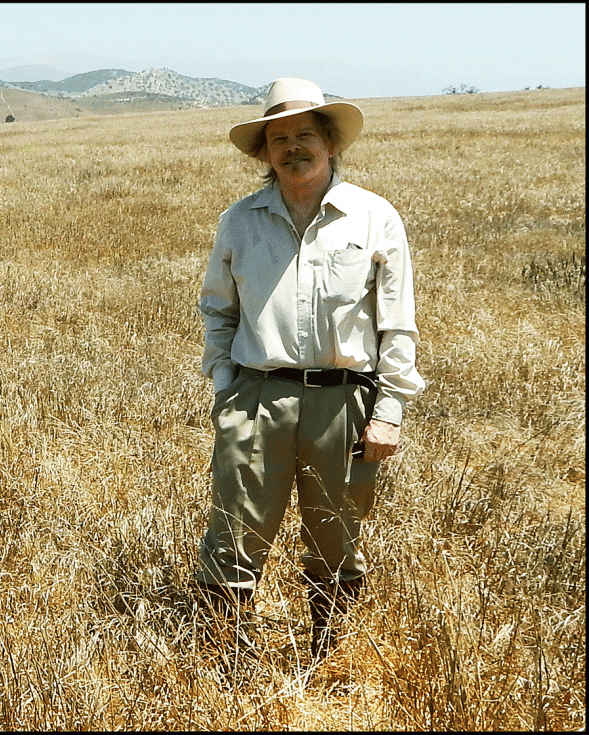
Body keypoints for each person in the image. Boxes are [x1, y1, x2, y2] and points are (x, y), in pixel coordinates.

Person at [195, 77, 425, 661]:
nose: (292, 147)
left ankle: (327, 658)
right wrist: (227, 389)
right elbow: (217, 311)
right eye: (279, 139)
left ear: (330, 142)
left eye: (304, 134)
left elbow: (396, 323)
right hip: (256, 398)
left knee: (337, 542)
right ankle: (228, 668)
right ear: (264, 153)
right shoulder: (239, 221)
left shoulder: (375, 218)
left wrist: (390, 410)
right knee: (234, 539)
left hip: (343, 404)